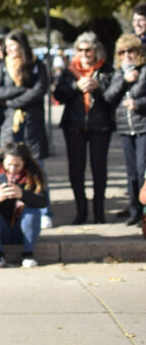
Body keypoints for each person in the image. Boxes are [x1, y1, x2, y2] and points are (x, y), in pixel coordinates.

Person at [0, 30, 52, 227]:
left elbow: (39, 90)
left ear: (22, 46)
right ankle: (8, 209)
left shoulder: (37, 65)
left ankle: (44, 210)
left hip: (31, 123)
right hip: (10, 123)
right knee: (7, 164)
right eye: (6, 46)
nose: (8, 49)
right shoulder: (3, 66)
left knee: (37, 167)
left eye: (12, 46)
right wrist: (18, 93)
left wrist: (15, 102)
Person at [54, 31, 114, 224]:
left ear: (96, 50)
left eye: (88, 50)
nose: (85, 53)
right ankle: (81, 210)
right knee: (76, 169)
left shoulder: (106, 69)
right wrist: (76, 87)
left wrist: (98, 87)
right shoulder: (69, 71)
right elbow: (59, 95)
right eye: (80, 50)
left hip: (99, 125)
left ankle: (99, 211)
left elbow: (114, 95)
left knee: (99, 168)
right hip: (74, 125)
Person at [0, 142, 47, 268]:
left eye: (17, 165)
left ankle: (28, 253)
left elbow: (43, 201)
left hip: (22, 227)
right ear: (3, 161)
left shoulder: (33, 174)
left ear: (24, 163)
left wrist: (23, 194)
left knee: (32, 212)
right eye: (9, 164)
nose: (12, 169)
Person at [103, 33, 146, 226]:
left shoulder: (144, 70)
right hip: (125, 128)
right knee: (131, 173)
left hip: (143, 126)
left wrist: (138, 103)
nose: (127, 55)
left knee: (142, 170)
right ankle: (134, 211)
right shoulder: (119, 73)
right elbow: (109, 97)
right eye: (122, 52)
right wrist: (125, 81)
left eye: (131, 51)